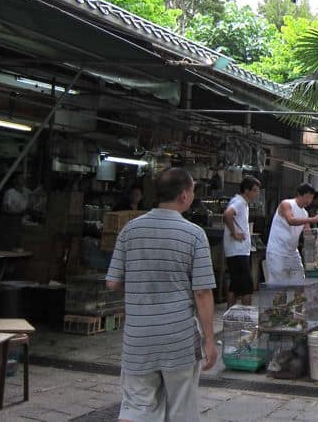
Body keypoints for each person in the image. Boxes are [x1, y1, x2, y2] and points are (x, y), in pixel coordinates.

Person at [105, 168, 217, 421]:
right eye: (192, 191)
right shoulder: (194, 234)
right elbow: (201, 292)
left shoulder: (130, 230)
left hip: (138, 339)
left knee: (135, 407)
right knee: (180, 409)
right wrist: (209, 340)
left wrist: (142, 284)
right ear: (183, 196)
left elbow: (112, 282)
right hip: (179, 340)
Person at [265, 183, 318, 284]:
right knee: (278, 287)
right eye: (307, 197)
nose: (309, 201)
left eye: (311, 198)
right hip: (277, 251)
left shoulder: (305, 213)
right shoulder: (286, 204)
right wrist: (313, 219)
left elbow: (308, 233)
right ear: (299, 195)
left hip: (292, 252)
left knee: (299, 280)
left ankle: (297, 300)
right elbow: (291, 220)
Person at [223, 176, 261, 308]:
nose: (257, 193)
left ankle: (230, 314)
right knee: (247, 286)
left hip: (239, 250)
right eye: (255, 190)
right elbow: (227, 214)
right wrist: (234, 233)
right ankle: (245, 317)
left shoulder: (242, 203)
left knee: (235, 285)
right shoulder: (238, 202)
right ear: (246, 190)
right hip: (237, 251)